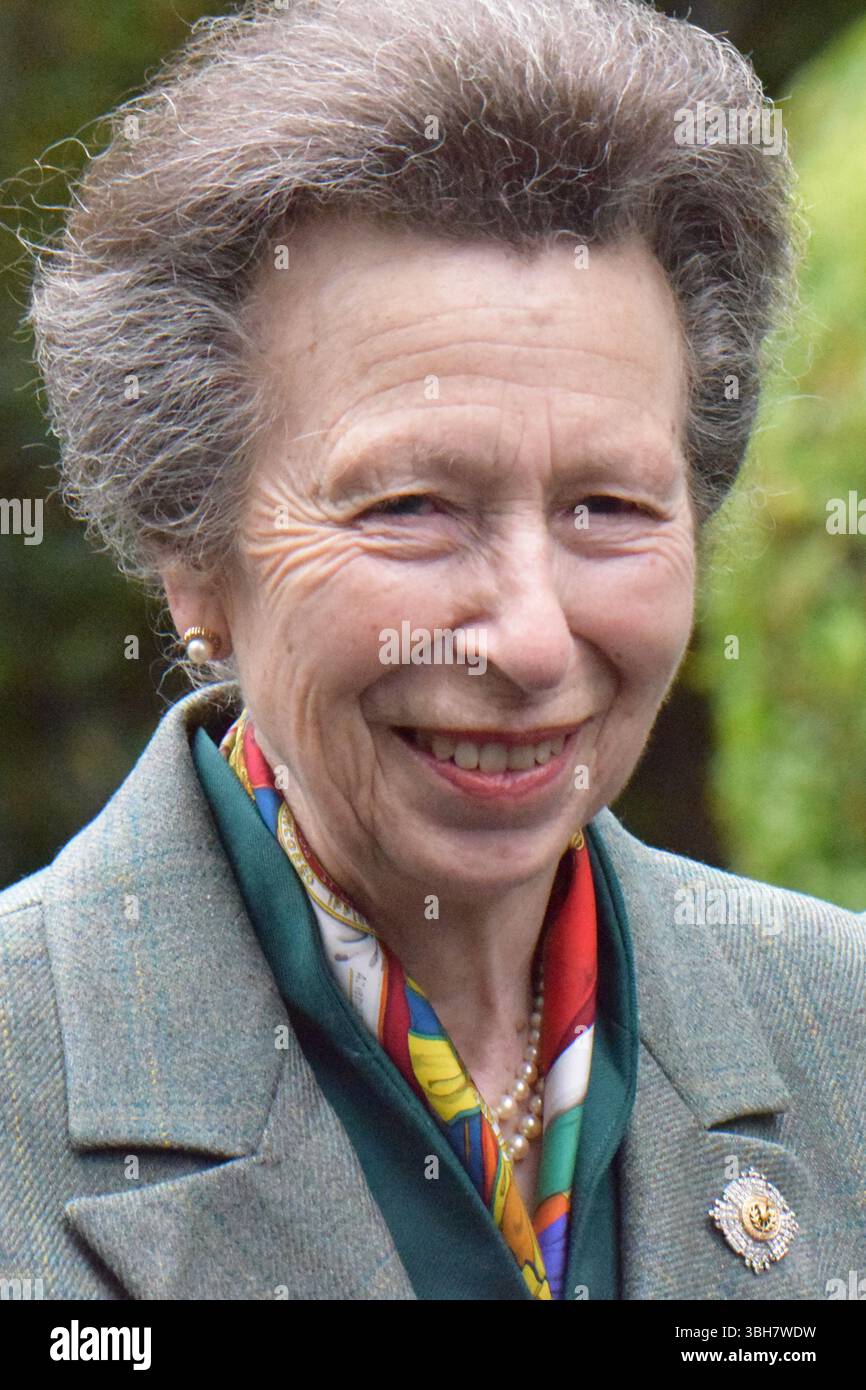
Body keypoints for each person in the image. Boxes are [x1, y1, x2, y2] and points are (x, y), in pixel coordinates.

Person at [2, 0, 862, 1301]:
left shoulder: (840, 1029)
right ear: (193, 562)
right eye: (410, 508)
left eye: (606, 508)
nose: (527, 636)